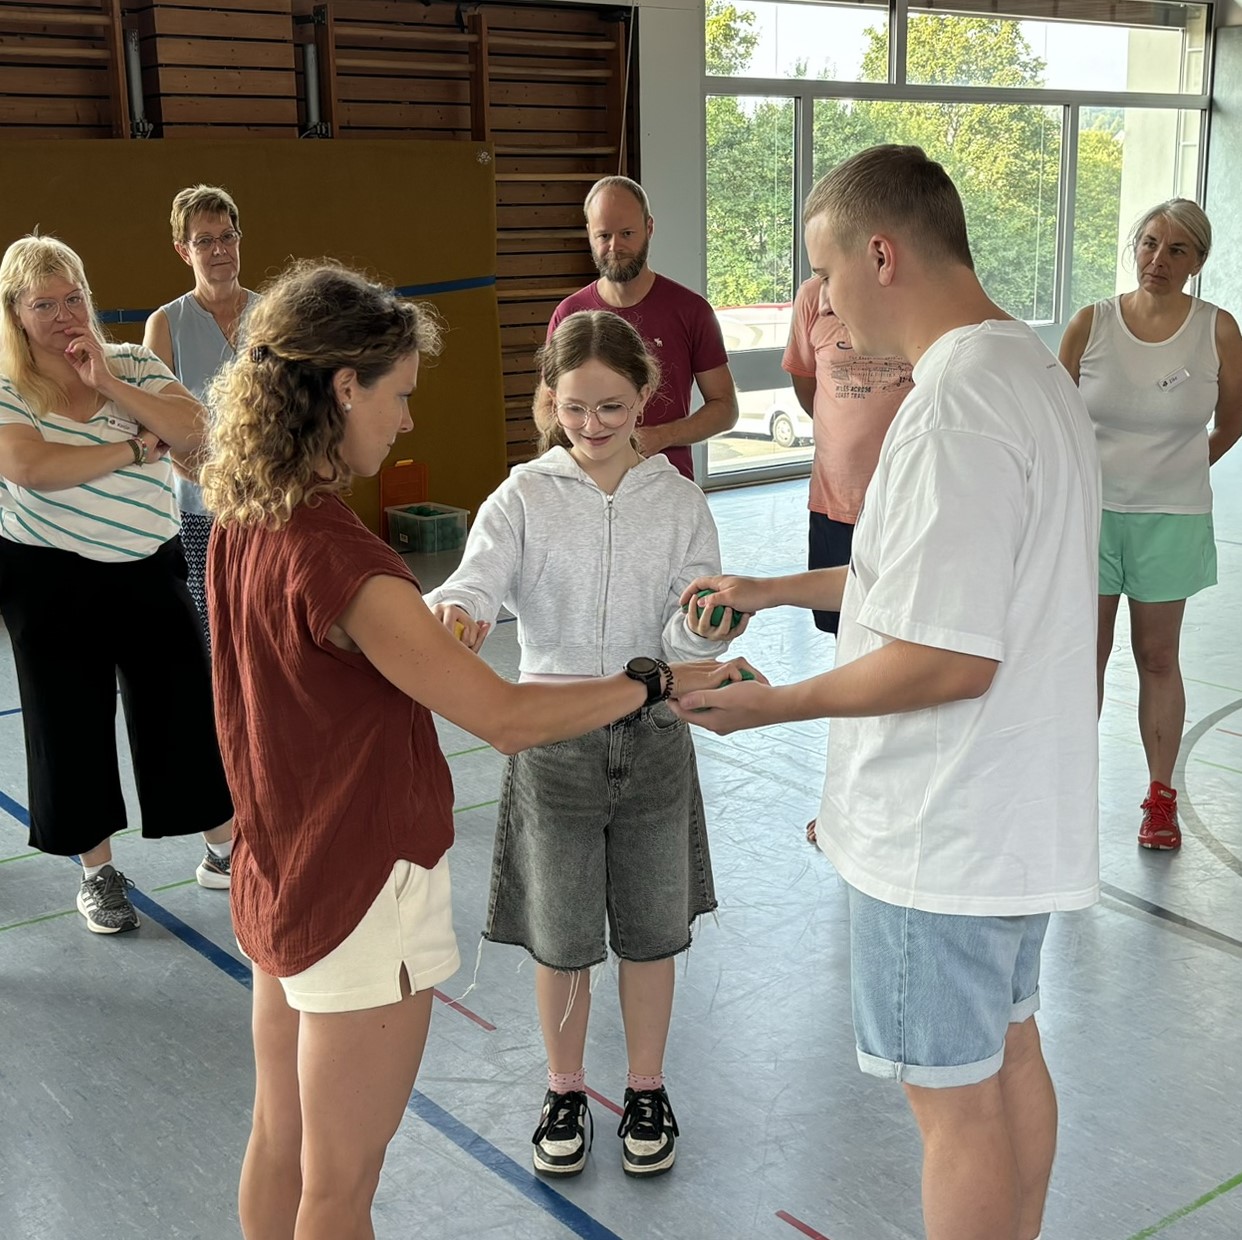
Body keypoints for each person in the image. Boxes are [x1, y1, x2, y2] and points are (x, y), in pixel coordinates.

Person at [201, 265, 752, 1237]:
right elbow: (501, 714)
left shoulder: (245, 521)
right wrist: (654, 682)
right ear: (344, 388)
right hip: (358, 883)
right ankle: (568, 1088)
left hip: (282, 868)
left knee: (281, 1140)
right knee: (338, 1188)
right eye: (401, 393)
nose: (408, 420)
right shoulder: (344, 558)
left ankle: (642, 1086)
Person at [670, 146, 1101, 1240]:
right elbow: (919, 579)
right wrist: (774, 588)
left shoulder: (955, 406)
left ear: (881, 253)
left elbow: (949, 657)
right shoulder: (1027, 370)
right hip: (1007, 818)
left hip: (941, 830)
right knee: (1009, 1054)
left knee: (951, 1107)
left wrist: (771, 707)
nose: (821, 303)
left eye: (825, 273)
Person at [425, 309, 748, 1181]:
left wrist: (706, 627)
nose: (593, 425)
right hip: (553, 747)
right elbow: (475, 581)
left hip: (655, 742)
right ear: (549, 401)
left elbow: (686, 632)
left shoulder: (679, 503)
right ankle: (564, 1090)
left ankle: (646, 1088)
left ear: (646, 397)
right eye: (574, 408)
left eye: (611, 407)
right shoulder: (522, 496)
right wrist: (458, 611)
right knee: (562, 938)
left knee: (651, 933)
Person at [0, 235, 234, 931]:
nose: (65, 315)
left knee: (184, 707)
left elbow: (195, 431)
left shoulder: (130, 360)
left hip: (147, 564)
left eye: (74, 298)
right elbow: (31, 468)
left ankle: (224, 851)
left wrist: (108, 383)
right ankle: (97, 874)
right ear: (16, 313)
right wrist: (134, 447)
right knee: (67, 724)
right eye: (45, 304)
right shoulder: (7, 385)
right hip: (47, 575)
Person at [1059, 198, 1242, 851]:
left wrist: (1178, 471)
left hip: (1171, 520)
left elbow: (1232, 421)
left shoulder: (1218, 330)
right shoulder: (1091, 323)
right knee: (1084, 654)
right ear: (1135, 246)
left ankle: (1160, 799)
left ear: (1198, 261)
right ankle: (1066, 789)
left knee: (1158, 657)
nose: (1158, 259)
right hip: (1091, 517)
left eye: (1177, 250)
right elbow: (1057, 419)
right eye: (1149, 243)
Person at [783, 274, 912, 843]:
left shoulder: (911, 289)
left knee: (900, 655)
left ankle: (893, 799)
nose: (827, 281)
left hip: (905, 509)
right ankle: (846, 798)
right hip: (836, 504)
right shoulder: (814, 297)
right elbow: (806, 384)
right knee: (850, 655)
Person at [548, 175, 738, 481]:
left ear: (649, 228)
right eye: (603, 235)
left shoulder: (691, 311)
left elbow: (725, 408)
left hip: (667, 484)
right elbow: (547, 405)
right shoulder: (568, 313)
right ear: (589, 235)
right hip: (587, 486)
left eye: (626, 233)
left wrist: (663, 436)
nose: (615, 246)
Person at [143, 183, 256, 646]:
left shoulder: (273, 317)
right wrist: (214, 484)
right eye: (204, 241)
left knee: (266, 622)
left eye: (227, 236)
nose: (219, 250)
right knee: (213, 633)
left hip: (269, 502)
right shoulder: (165, 324)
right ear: (183, 251)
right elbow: (153, 424)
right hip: (199, 509)